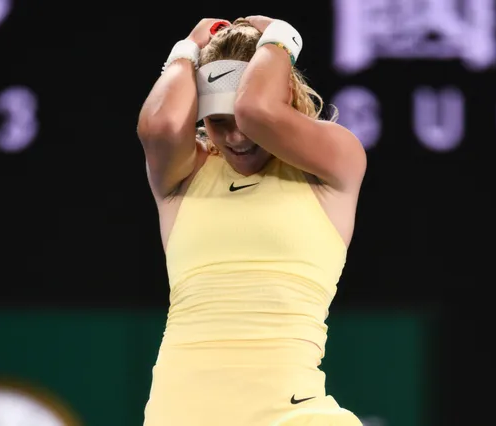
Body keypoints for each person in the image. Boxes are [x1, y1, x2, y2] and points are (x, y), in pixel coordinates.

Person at [137, 15, 367, 426]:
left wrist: (282, 35)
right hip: (183, 413)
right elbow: (160, 124)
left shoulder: (336, 161)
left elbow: (256, 109)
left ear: (287, 94)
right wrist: (187, 48)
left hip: (292, 415)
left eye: (242, 122)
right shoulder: (183, 175)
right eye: (218, 122)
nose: (237, 137)